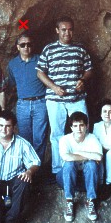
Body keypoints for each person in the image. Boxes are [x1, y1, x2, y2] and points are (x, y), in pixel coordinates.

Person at [37, 16, 93, 176]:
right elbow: (40, 72)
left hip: (77, 99)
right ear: (57, 30)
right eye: (63, 29)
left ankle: (82, 167)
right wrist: (54, 87)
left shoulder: (80, 49)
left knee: (83, 130)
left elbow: (89, 69)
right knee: (57, 134)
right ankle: (58, 170)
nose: (67, 33)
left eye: (70, 29)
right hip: (55, 99)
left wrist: (83, 79)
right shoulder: (49, 49)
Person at [7, 31, 48, 163]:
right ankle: (26, 169)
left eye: (29, 44)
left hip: (40, 103)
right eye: (23, 45)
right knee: (24, 138)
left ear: (33, 46)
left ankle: (37, 170)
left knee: (39, 138)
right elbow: (12, 83)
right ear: (18, 47)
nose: (26, 47)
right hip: (22, 104)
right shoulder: (12, 64)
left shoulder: (40, 59)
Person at [56, 111, 102, 222]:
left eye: (81, 125)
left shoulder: (92, 138)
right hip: (67, 179)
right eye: (75, 126)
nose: (79, 129)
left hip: (87, 181)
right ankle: (69, 201)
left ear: (86, 126)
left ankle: (90, 201)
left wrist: (76, 155)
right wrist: (88, 155)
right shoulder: (65, 140)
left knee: (91, 165)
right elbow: (65, 157)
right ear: (71, 127)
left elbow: (99, 157)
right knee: (69, 164)